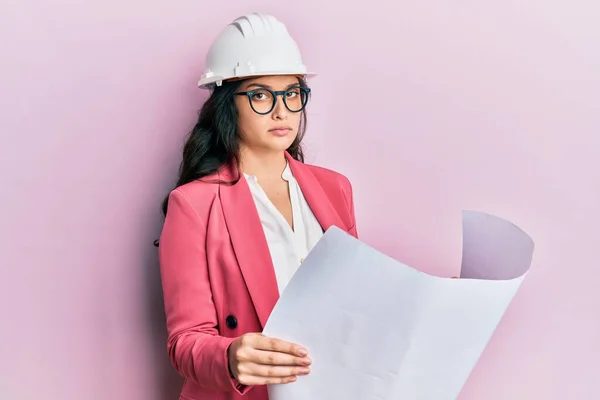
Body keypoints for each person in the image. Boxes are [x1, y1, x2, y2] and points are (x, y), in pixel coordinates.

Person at [157, 12, 358, 400]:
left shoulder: (336, 189)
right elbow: (184, 342)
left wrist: (430, 300)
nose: (282, 111)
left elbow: (353, 301)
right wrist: (230, 356)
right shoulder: (194, 204)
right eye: (261, 95)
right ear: (226, 104)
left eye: (293, 93)